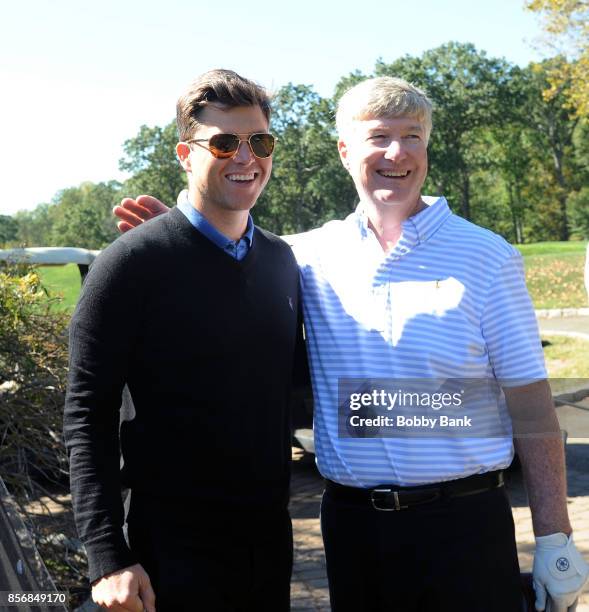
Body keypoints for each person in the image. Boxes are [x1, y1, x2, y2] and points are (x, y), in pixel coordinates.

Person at [115, 76, 589, 612]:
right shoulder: (306, 257)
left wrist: (555, 537)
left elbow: (531, 407)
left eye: (412, 136)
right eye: (379, 137)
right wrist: (181, 238)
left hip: (465, 528)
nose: (397, 153)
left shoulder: (488, 256)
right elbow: (232, 255)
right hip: (355, 530)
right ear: (344, 151)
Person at [64, 69, 306, 612]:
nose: (245, 157)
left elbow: (292, 386)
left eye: (259, 142)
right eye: (223, 142)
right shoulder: (129, 264)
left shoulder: (281, 262)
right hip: (168, 555)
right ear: (184, 153)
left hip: (268, 549)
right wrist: (107, 558)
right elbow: (86, 416)